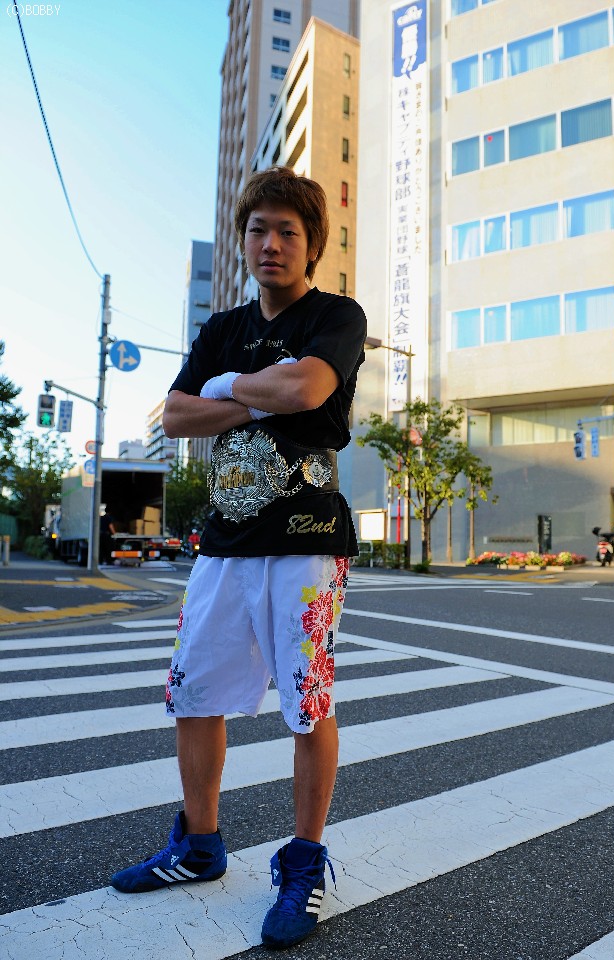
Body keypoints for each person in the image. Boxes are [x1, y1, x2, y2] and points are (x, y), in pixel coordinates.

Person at [110, 166, 367, 951]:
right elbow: (176, 415)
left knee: (307, 702)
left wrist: (226, 389)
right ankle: (199, 846)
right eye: (259, 229)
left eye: (289, 231)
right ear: (243, 242)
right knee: (193, 693)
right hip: (224, 542)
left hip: (308, 541)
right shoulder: (223, 326)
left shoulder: (336, 315)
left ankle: (305, 861)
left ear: (312, 245)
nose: (272, 243)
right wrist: (254, 389)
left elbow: (308, 389)